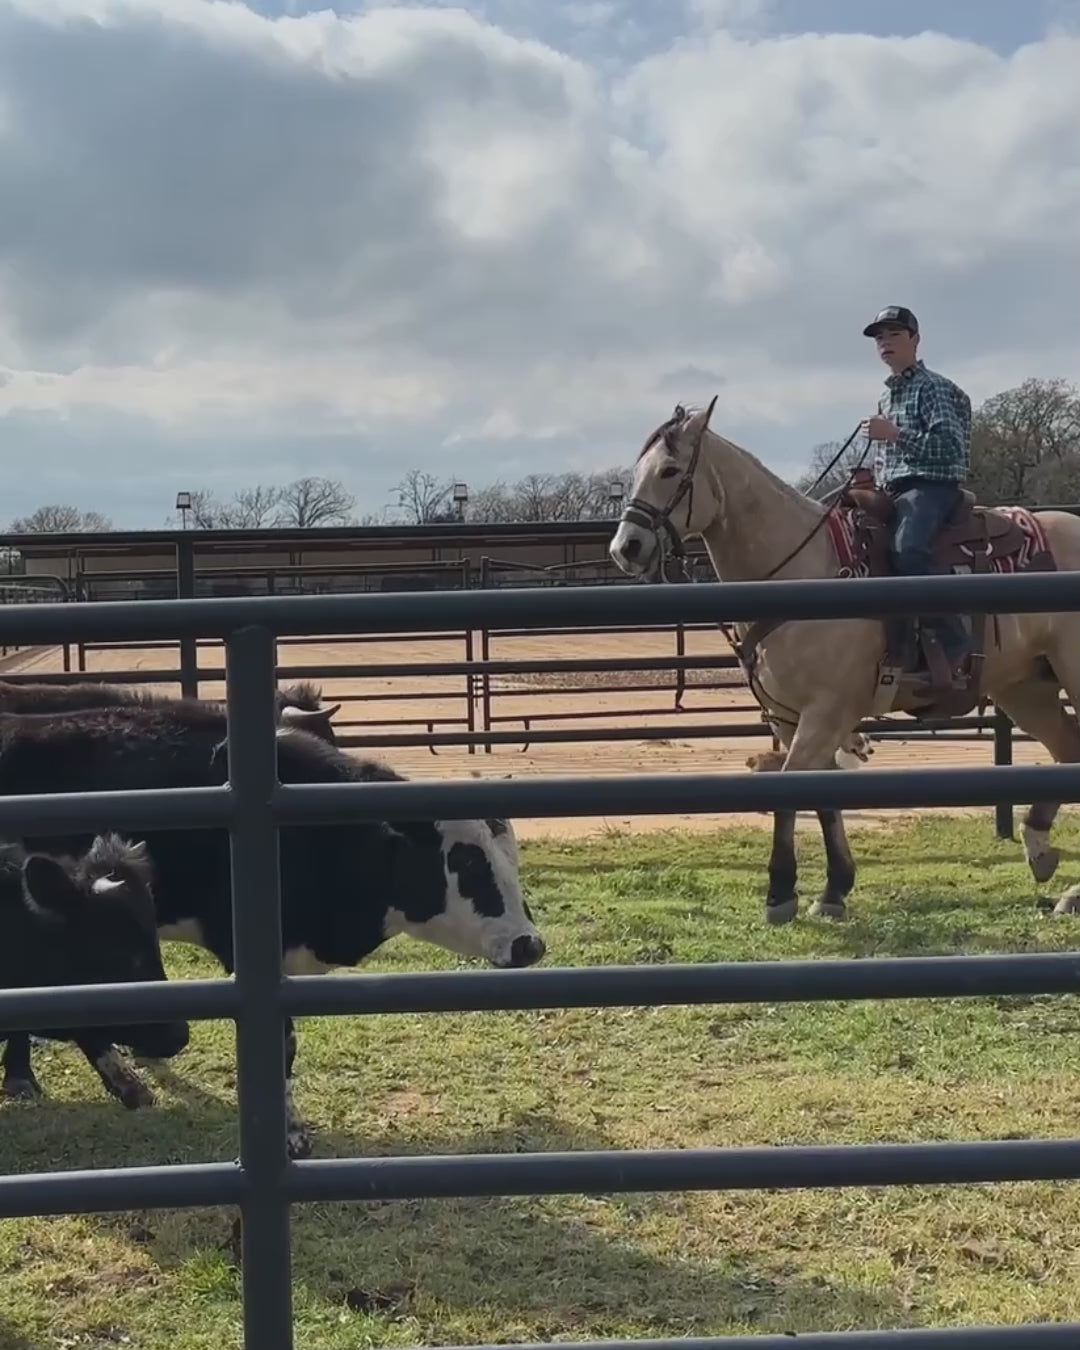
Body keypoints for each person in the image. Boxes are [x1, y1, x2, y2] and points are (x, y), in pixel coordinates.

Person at [860, 305, 973, 678]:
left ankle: (954, 639)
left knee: (909, 550)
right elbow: (888, 456)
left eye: (893, 334)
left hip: (931, 485)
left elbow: (950, 447)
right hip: (893, 488)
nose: (884, 343)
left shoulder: (934, 387)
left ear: (915, 339)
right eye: (879, 337)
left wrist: (893, 434)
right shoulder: (887, 396)